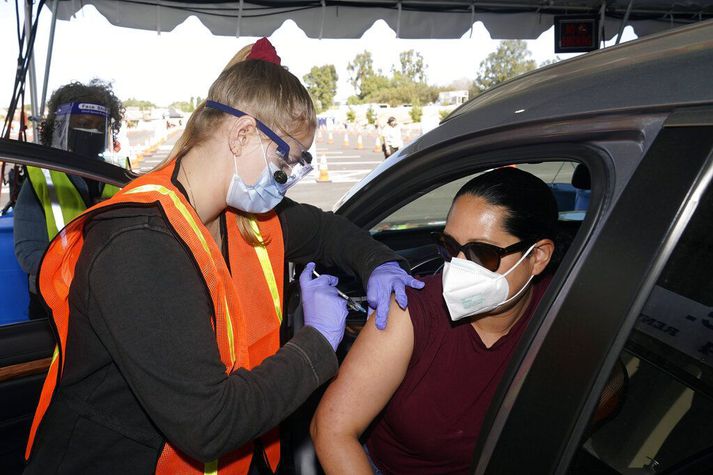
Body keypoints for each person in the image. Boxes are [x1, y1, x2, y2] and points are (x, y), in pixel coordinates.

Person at [23, 38, 422, 474]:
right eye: (285, 160)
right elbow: (209, 423)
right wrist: (319, 340)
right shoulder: (139, 244)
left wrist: (380, 263)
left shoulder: (245, 214)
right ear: (243, 133)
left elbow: (327, 231)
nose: (286, 179)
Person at [312, 167, 559, 474]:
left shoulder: (562, 313)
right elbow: (333, 430)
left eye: (481, 254)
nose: (457, 266)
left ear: (538, 257)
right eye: (450, 247)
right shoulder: (411, 311)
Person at [13, 79, 124, 318]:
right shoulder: (40, 177)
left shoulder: (118, 176)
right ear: (60, 127)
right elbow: (28, 253)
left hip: (107, 301)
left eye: (98, 126)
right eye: (83, 124)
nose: (91, 132)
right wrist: (88, 268)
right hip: (53, 303)